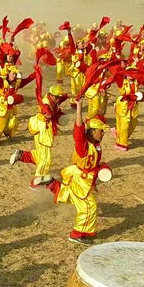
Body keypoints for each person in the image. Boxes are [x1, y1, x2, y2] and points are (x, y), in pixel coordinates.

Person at [49, 99, 107, 244]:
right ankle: (77, 234)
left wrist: (104, 98)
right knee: (89, 206)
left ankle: (53, 185)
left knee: (73, 198)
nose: (103, 134)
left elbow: (101, 114)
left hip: (84, 179)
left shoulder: (96, 144)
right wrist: (79, 106)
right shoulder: (83, 146)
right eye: (100, 131)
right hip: (80, 179)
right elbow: (79, 128)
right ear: (92, 132)